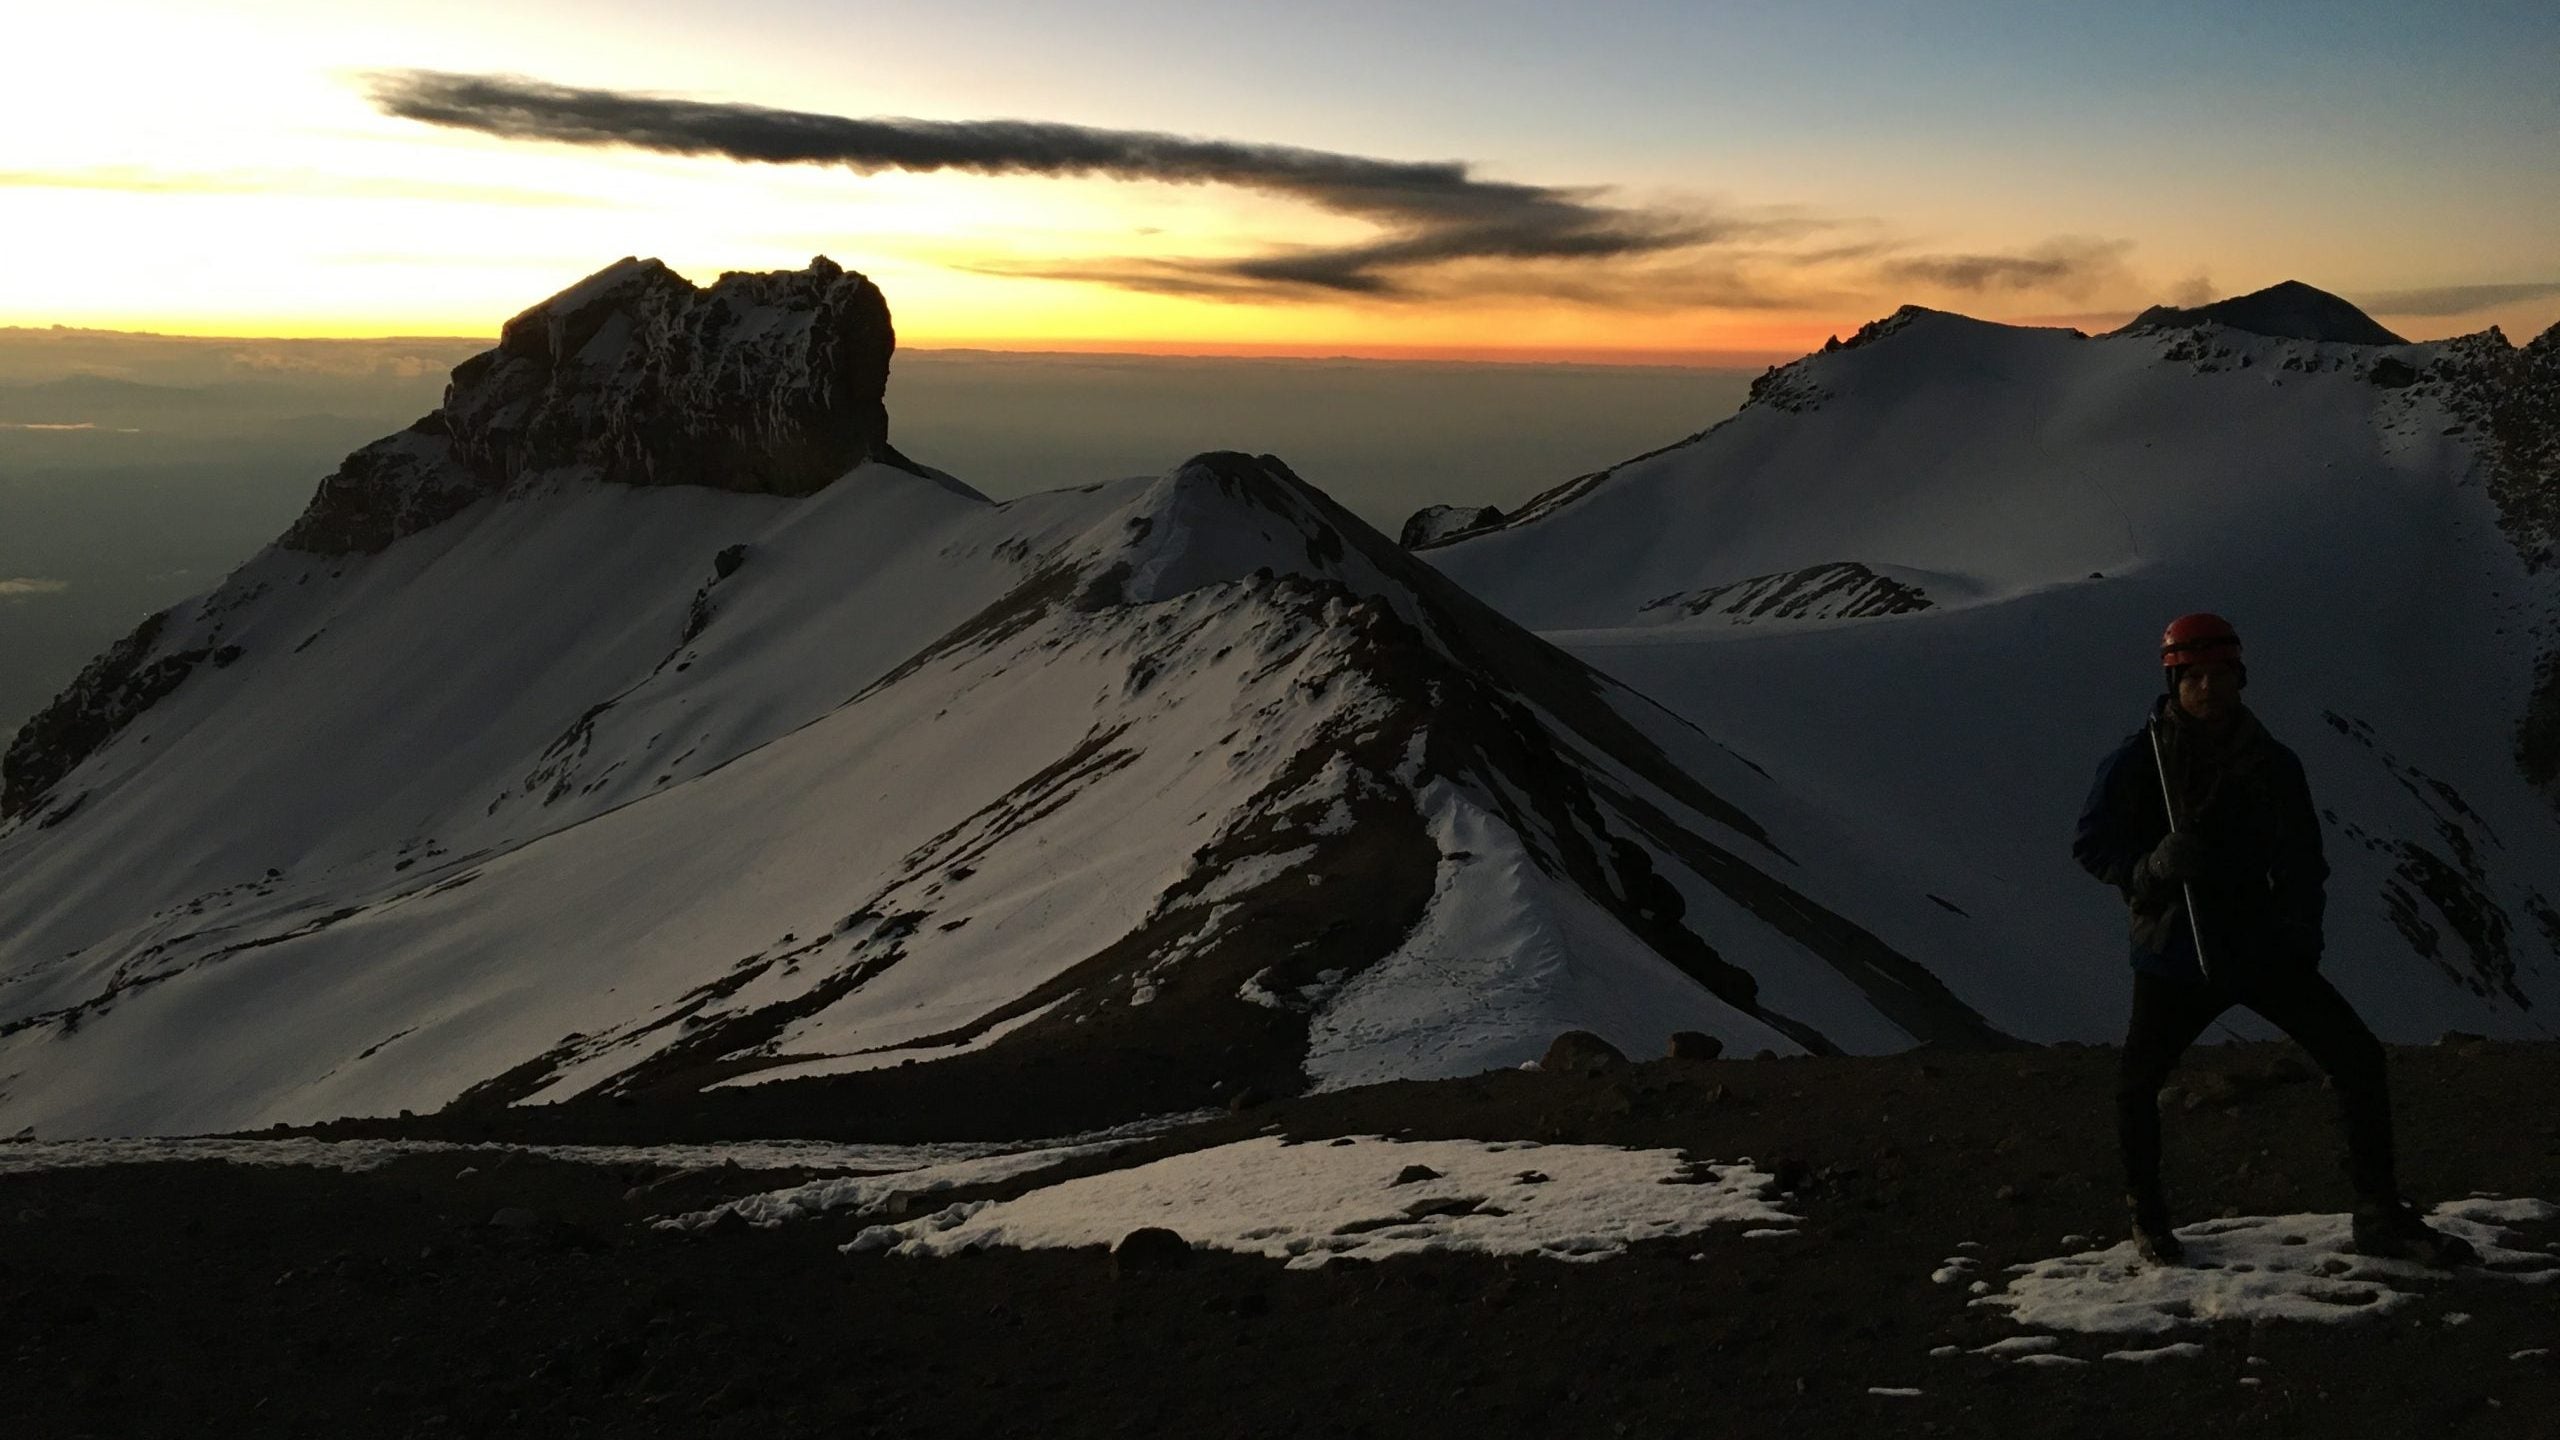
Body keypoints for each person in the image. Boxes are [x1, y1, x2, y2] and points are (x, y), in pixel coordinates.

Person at [2072, 612, 2474, 1267]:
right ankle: (2150, 1221)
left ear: (2239, 677)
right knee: (2137, 1085)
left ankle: (2378, 1213)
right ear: (2175, 681)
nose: (2206, 688)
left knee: (2355, 1058)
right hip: (2178, 947)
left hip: (2254, 946)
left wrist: (2300, 936)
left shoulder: (2269, 763)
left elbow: (2302, 859)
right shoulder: (2141, 762)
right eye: (2193, 676)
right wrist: (2151, 868)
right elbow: (2092, 845)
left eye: (2218, 675)